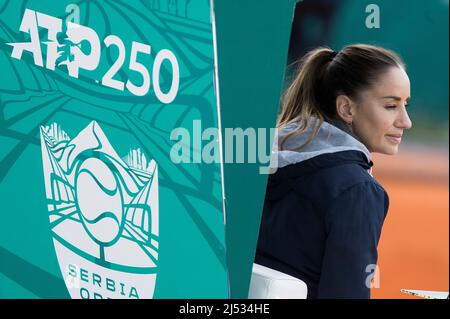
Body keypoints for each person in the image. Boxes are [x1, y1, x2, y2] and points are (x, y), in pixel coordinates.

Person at [254, 44, 412, 299]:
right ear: (346, 109)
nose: (406, 121)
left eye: (405, 105)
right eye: (391, 106)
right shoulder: (357, 190)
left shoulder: (254, 161)